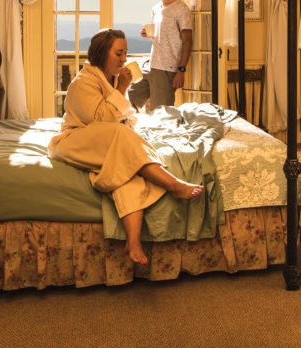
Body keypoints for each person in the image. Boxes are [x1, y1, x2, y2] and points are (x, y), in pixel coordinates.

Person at [49, 27, 203, 265]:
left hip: (104, 141)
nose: (124, 60)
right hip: (75, 141)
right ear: (101, 54)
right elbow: (102, 122)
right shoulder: (83, 83)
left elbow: (125, 116)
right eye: (118, 54)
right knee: (121, 137)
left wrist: (120, 91)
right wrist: (121, 89)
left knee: (128, 174)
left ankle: (133, 241)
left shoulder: (111, 78)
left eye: (125, 54)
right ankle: (172, 183)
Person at [128, 0, 193, 112]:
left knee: (161, 114)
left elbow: (187, 41)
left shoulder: (181, 9)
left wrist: (181, 70)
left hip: (167, 69)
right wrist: (149, 35)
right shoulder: (156, 9)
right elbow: (162, 38)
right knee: (131, 94)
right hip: (152, 65)